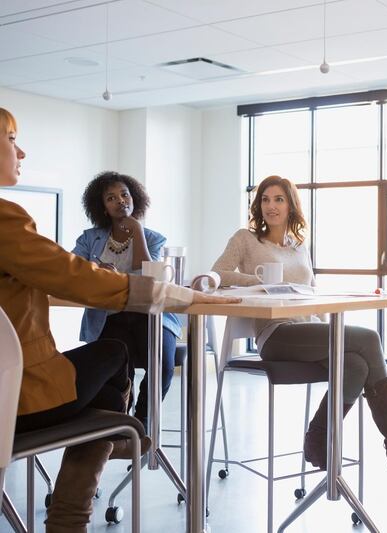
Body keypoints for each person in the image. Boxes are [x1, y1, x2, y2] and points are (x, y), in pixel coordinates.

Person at [0, 107, 240, 533]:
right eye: (12, 138)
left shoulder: (148, 233)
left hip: (22, 388)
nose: (22, 151)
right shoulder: (6, 221)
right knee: (113, 353)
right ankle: (89, 491)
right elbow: (73, 274)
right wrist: (174, 294)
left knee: (117, 354)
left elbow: (70, 273)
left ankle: (122, 438)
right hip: (18, 399)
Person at [211, 174, 387, 477]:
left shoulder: (299, 247)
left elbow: (311, 295)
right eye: (265, 200)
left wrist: (330, 331)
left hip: (307, 330)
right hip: (277, 335)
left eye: (279, 199)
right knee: (369, 338)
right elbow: (218, 273)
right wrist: (259, 282)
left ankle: (317, 437)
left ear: (291, 205)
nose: (271, 206)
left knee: (356, 366)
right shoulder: (245, 239)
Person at [72, 171, 181, 425]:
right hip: (110, 315)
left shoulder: (154, 238)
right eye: (111, 198)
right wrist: (96, 270)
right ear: (103, 208)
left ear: (135, 198)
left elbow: (147, 273)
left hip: (151, 314)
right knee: (117, 365)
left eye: (124, 194)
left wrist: (137, 231)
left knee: (163, 365)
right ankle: (121, 423)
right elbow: (72, 267)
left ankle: (142, 422)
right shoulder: (90, 238)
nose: (120, 201)